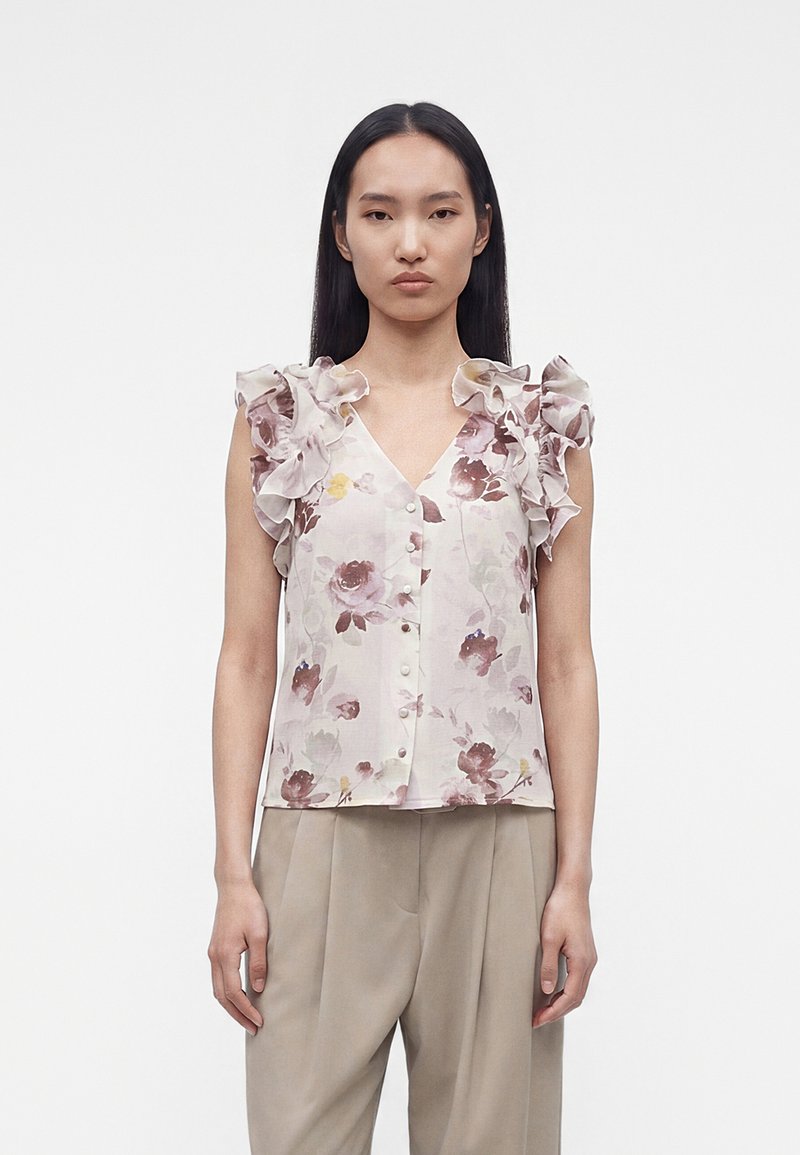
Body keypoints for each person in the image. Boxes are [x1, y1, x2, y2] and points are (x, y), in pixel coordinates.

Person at [209, 101, 599, 1155]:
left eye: (440, 212)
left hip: (499, 839)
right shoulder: (280, 423)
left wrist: (571, 877)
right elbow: (246, 656)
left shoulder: (539, 427)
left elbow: (566, 662)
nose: (411, 242)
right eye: (380, 214)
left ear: (482, 228)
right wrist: (234, 872)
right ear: (342, 234)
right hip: (320, 836)